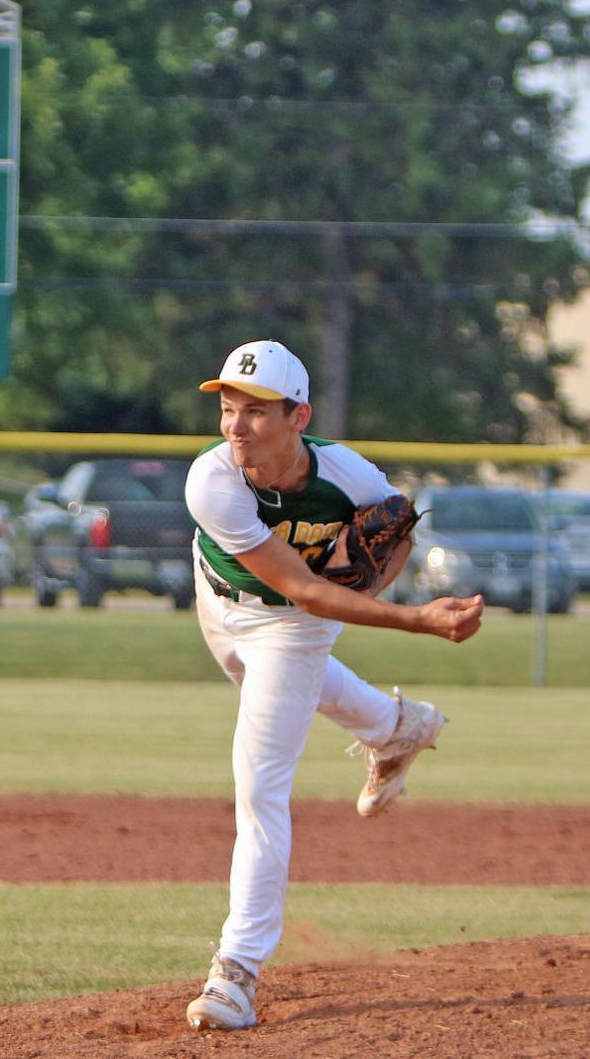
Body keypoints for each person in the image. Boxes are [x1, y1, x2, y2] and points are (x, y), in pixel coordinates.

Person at [183, 339, 484, 1032]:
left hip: (295, 626)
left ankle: (236, 969)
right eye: (228, 408)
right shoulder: (211, 480)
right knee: (262, 681)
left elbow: (396, 523)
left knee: (260, 783)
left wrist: (372, 581)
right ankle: (394, 725)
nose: (235, 425)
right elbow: (296, 581)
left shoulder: (348, 474)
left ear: (299, 416)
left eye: (255, 411)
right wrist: (414, 619)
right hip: (221, 597)